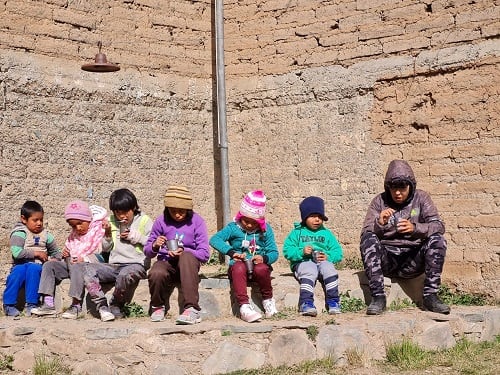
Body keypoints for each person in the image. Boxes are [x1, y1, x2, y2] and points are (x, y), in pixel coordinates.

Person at [360, 159, 450, 315]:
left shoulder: (422, 199)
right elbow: (366, 230)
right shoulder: (379, 201)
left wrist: (415, 229)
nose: (397, 193)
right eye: (393, 188)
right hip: (388, 260)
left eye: (402, 188)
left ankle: (430, 296)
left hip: (413, 260)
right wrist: (379, 223)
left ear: (410, 186)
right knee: (368, 238)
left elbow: (438, 226)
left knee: (438, 240)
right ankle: (378, 297)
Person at [81, 188, 153, 321]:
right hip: (115, 265)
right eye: (118, 213)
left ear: (134, 208)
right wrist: (107, 235)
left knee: (125, 274)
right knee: (87, 268)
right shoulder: (111, 221)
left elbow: (153, 244)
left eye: (126, 212)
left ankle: (115, 304)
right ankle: (102, 305)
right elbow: (106, 249)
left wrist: (134, 236)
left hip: (136, 265)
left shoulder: (144, 221)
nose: (122, 216)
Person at [210, 190, 279, 323]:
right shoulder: (233, 228)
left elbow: (274, 253)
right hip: (238, 268)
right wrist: (231, 252)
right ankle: (244, 306)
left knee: (262, 269)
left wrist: (263, 259)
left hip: (258, 267)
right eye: (245, 221)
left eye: (253, 222)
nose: (248, 225)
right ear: (240, 216)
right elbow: (215, 239)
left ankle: (268, 301)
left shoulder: (266, 231)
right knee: (239, 268)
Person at [144, 185, 209, 324]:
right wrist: (155, 245)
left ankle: (192, 309)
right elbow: (148, 252)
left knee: (185, 257)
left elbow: (204, 255)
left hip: (188, 264)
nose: (177, 215)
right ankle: (157, 306)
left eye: (181, 211)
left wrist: (184, 250)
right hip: (167, 261)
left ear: (188, 210)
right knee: (156, 272)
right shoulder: (161, 221)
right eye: (173, 212)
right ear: (167, 210)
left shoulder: (197, 222)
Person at [32, 200, 107, 319]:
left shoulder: (97, 231)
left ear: (89, 219)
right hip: (72, 265)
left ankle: (76, 305)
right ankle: (48, 304)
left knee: (76, 265)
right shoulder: (74, 236)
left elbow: (101, 256)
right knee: (49, 266)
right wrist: (64, 254)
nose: (78, 228)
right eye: (73, 226)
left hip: (88, 268)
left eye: (80, 223)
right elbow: (68, 251)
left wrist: (83, 259)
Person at [283, 196, 344, 316]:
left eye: (320, 217)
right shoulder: (297, 233)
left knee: (329, 269)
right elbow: (287, 251)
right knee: (309, 269)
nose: (317, 220)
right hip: (303, 263)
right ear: (305, 217)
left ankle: (333, 302)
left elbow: (338, 252)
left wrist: (328, 256)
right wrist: (301, 252)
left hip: (321, 262)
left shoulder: (326, 234)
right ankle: (306, 303)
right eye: (313, 216)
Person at [3, 201, 61, 317]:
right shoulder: (20, 233)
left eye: (41, 220)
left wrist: (53, 259)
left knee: (34, 270)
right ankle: (8, 304)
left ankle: (32, 304)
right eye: (35, 220)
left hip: (37, 266)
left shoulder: (46, 235)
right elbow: (17, 253)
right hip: (20, 265)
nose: (39, 223)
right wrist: (36, 253)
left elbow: (56, 252)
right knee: (17, 274)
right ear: (24, 219)